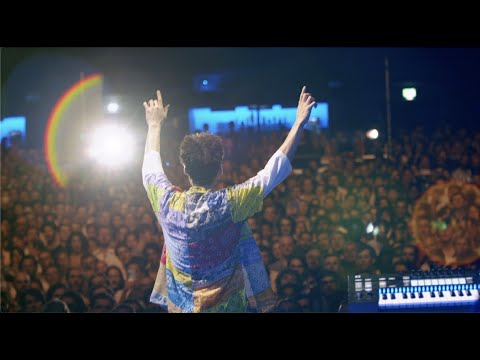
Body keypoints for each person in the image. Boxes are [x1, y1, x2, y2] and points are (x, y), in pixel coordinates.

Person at [142, 86, 316, 312]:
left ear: (185, 168)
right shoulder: (231, 203)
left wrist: (154, 125)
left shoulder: (167, 203)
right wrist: (298, 123)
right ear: (220, 169)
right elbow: (275, 170)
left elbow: (150, 169)